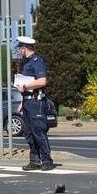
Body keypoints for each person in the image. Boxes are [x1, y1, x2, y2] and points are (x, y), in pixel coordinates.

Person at [15, 36, 55, 171]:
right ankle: (35, 160)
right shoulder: (27, 63)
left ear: (24, 48)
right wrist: (22, 101)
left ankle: (47, 160)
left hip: (36, 102)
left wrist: (26, 87)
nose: (19, 51)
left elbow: (42, 81)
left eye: (20, 49)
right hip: (27, 101)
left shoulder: (37, 61)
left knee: (39, 131)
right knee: (29, 133)